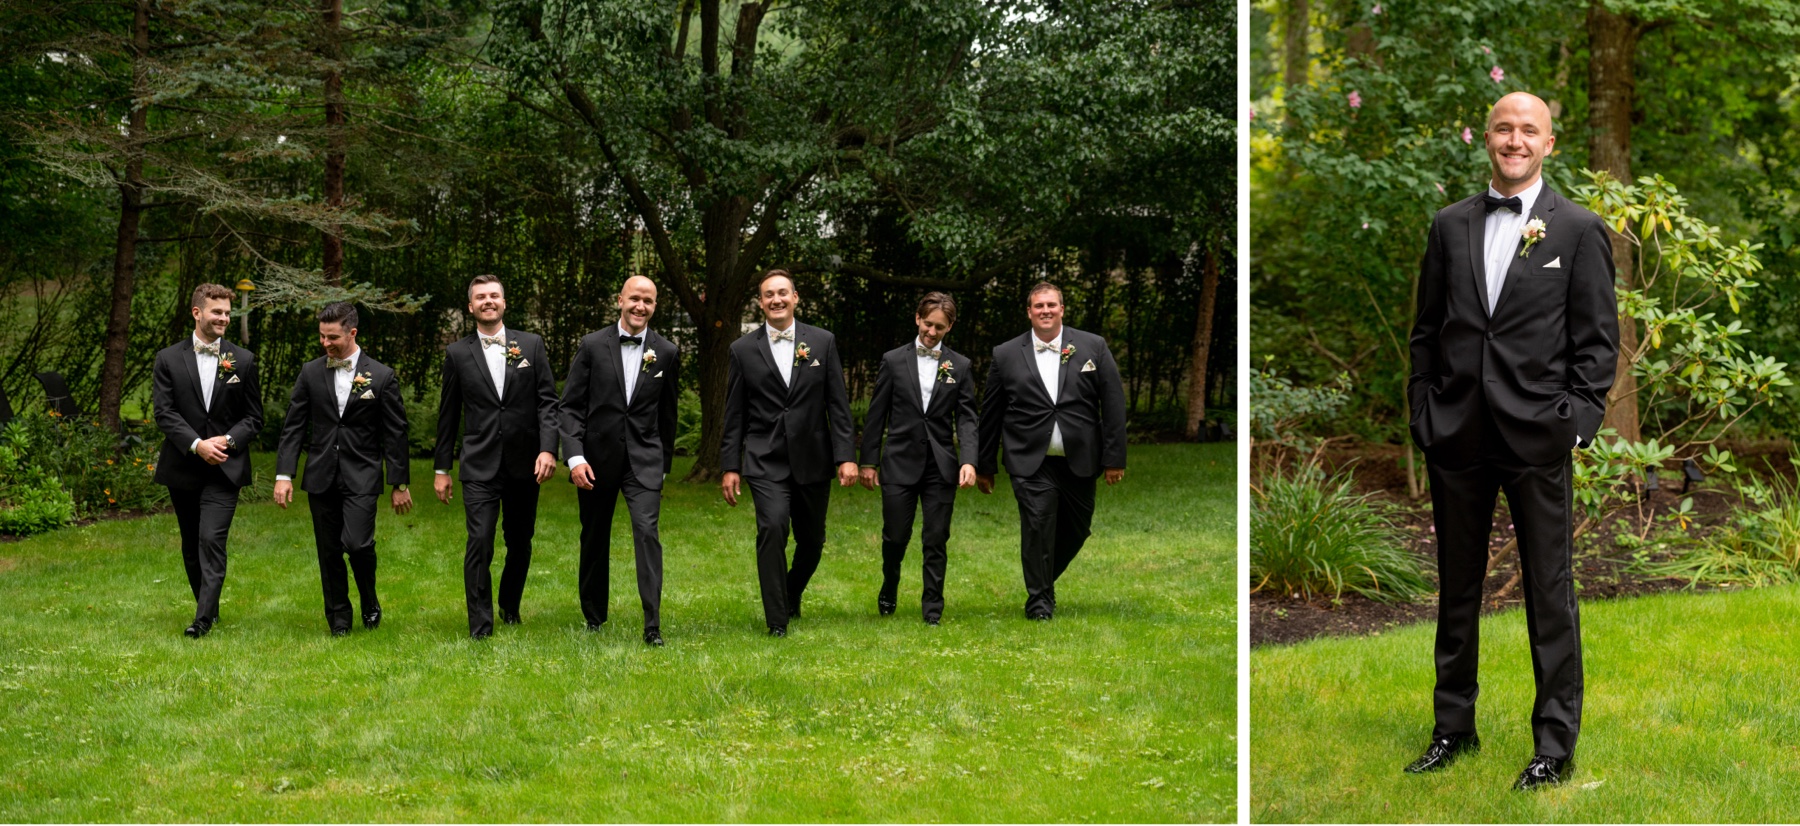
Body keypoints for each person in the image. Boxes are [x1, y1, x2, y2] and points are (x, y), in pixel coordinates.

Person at [1403, 92, 1618, 791]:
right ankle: (1451, 728)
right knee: (1456, 589)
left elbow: (1596, 345)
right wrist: (1423, 416)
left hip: (1537, 438)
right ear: (1486, 138)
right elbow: (1427, 331)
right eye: (1504, 127)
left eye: (1529, 130)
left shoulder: (1579, 230)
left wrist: (1575, 424)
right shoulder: (1448, 225)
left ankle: (1554, 745)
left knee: (1549, 591)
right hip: (1456, 434)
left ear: (1549, 144)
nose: (1514, 139)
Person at [975, 282, 1126, 621]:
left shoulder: (1093, 346)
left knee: (1077, 529)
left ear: (1062, 309)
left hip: (1080, 459)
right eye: (1039, 305)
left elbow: (1113, 404)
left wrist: (1115, 458)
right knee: (1038, 524)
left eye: (1052, 305)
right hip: (1029, 461)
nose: (1046, 310)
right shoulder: (1006, 354)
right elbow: (991, 413)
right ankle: (1040, 603)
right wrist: (984, 465)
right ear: (1029, 312)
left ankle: (1041, 579)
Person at [720, 269, 857, 637]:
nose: (776, 299)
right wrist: (730, 466)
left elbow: (837, 404)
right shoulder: (742, 350)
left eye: (782, 292)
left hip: (813, 456)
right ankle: (776, 619)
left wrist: (846, 456)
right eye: (768, 295)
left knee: (812, 542)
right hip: (765, 459)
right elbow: (734, 415)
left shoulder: (822, 342)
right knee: (773, 527)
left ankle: (791, 593)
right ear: (761, 303)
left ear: (795, 297)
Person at [273, 302, 413, 636]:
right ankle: (339, 619)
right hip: (321, 474)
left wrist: (400, 483)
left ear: (352, 332)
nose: (325, 343)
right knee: (329, 550)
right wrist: (284, 475)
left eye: (332, 337)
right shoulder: (310, 373)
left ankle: (369, 598)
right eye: (321, 336)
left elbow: (395, 432)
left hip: (362, 474)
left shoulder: (380, 376)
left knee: (358, 544)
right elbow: (294, 427)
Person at [433, 275, 561, 639]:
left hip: (525, 464)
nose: (488, 301)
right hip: (479, 464)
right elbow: (448, 415)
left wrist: (548, 448)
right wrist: (442, 469)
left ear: (504, 303)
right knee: (480, 541)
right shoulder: (457, 354)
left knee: (520, 542)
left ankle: (509, 604)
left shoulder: (532, 346)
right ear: (471, 307)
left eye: (494, 296)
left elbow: (547, 402)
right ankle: (480, 625)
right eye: (480, 297)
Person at [560, 276, 680, 646]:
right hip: (595, 460)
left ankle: (652, 625)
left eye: (648, 301)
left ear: (655, 306)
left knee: (647, 534)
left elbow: (668, 414)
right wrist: (575, 457)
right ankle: (594, 617)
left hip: (644, 460)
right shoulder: (593, 345)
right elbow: (570, 407)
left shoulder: (667, 351)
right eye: (634, 299)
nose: (640, 306)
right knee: (594, 536)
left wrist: (662, 466)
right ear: (620, 301)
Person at [151, 283, 264, 638]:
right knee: (190, 544)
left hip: (224, 469)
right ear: (197, 312)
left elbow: (254, 418)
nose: (225, 319)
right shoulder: (168, 359)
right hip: (183, 465)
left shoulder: (242, 360)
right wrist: (197, 444)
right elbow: (164, 413)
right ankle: (210, 608)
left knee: (211, 538)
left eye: (229, 313)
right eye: (218, 312)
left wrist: (228, 441)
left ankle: (201, 621)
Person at [858, 291, 977, 624]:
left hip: (941, 465)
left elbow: (967, 417)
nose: (932, 332)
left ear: (949, 327)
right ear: (917, 319)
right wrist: (869, 462)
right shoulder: (893, 361)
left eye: (939, 327)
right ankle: (890, 583)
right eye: (928, 324)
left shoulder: (960, 366)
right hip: (899, 462)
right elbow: (876, 413)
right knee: (896, 536)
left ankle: (933, 609)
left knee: (936, 537)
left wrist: (969, 459)